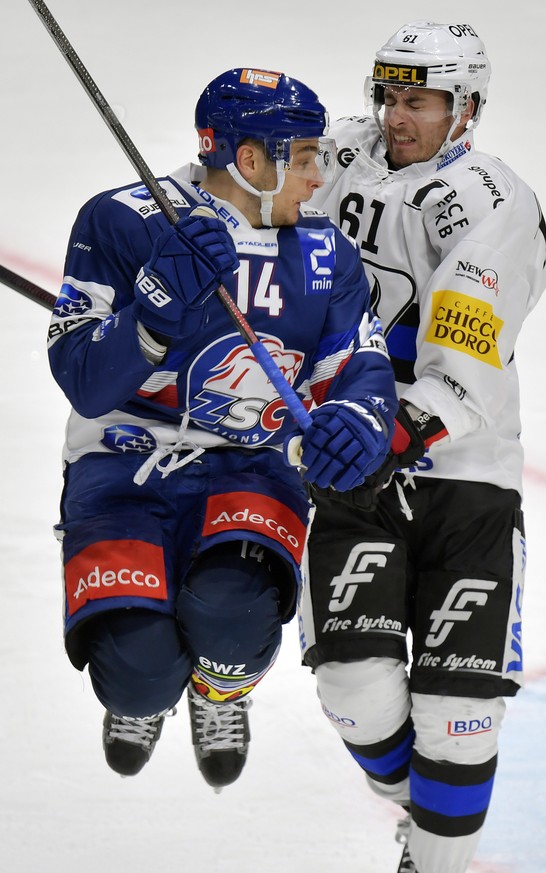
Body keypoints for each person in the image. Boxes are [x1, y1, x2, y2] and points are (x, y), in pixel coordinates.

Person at [48, 67, 398, 790]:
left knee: (232, 624)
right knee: (138, 673)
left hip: (251, 465)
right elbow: (83, 380)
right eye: (302, 157)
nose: (316, 175)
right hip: (123, 462)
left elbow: (358, 366)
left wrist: (357, 419)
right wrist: (150, 311)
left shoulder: (326, 255)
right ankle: (145, 694)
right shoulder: (123, 223)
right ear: (249, 160)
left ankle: (220, 689)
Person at [299, 21, 546, 873]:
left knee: (459, 715)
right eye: (390, 97)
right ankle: (431, 808)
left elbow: (466, 351)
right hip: (352, 462)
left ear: (465, 108)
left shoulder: (492, 198)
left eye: (419, 101)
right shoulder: (332, 155)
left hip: (465, 477)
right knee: (355, 694)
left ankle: (438, 848)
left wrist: (398, 426)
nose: (396, 116)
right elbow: (238, 191)